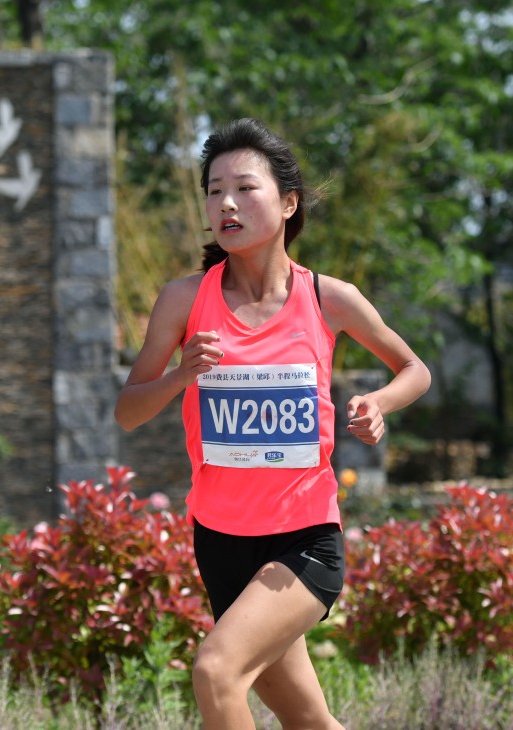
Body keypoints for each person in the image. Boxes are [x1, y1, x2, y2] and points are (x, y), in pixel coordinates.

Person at [114, 117, 431, 729]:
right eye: (213, 190)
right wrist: (183, 376)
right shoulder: (184, 300)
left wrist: (380, 404)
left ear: (288, 203)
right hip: (222, 541)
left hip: (305, 538)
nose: (226, 202)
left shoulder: (328, 298)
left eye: (244, 187)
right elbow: (128, 412)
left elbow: (413, 368)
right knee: (312, 723)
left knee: (215, 671)